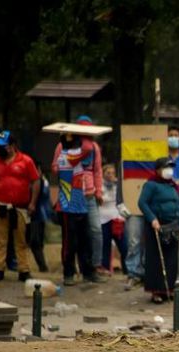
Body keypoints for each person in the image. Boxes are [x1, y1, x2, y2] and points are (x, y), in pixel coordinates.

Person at [51, 134, 106, 285]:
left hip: (80, 203)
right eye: (78, 142)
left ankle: (87, 272)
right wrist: (84, 135)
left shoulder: (72, 155)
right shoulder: (67, 156)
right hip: (68, 206)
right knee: (70, 243)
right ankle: (68, 273)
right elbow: (88, 148)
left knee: (85, 240)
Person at [138, 157, 179, 303]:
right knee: (156, 258)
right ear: (158, 170)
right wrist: (152, 219)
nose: (169, 170)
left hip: (173, 225)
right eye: (166, 167)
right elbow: (142, 203)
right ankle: (156, 291)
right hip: (157, 224)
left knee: (171, 258)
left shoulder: (173, 186)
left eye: (171, 167)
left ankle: (168, 288)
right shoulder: (151, 185)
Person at [0, 130, 40, 282]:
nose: (0, 149)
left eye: (4, 146)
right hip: (0, 206)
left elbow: (35, 181)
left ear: (13, 145)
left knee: (21, 239)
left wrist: (33, 203)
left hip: (20, 207)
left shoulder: (26, 161)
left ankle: (24, 270)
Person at [71, 115, 105, 276]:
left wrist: (99, 191)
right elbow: (57, 166)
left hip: (90, 194)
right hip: (73, 194)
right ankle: (78, 266)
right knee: (77, 233)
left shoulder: (95, 147)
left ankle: (97, 263)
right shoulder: (66, 145)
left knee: (96, 230)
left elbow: (98, 170)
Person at [100, 164, 127, 274]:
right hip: (103, 219)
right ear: (103, 174)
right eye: (108, 173)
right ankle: (105, 269)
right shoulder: (99, 186)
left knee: (123, 246)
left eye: (113, 173)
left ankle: (127, 270)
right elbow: (100, 200)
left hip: (117, 220)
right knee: (105, 246)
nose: (111, 175)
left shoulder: (118, 185)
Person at [29, 162, 52, 273]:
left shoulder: (41, 182)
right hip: (41, 216)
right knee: (38, 242)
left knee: (35, 242)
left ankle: (43, 267)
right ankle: (43, 266)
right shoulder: (44, 181)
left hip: (37, 215)